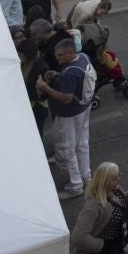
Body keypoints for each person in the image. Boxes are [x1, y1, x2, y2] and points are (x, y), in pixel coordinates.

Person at [38, 35, 94, 197]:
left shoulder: (70, 72)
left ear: (69, 53)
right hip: (84, 108)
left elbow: (66, 98)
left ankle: (75, 186)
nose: (56, 57)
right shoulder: (83, 57)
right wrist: (57, 76)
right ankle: (86, 176)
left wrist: (45, 87)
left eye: (60, 55)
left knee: (65, 148)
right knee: (82, 144)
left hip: (68, 115)